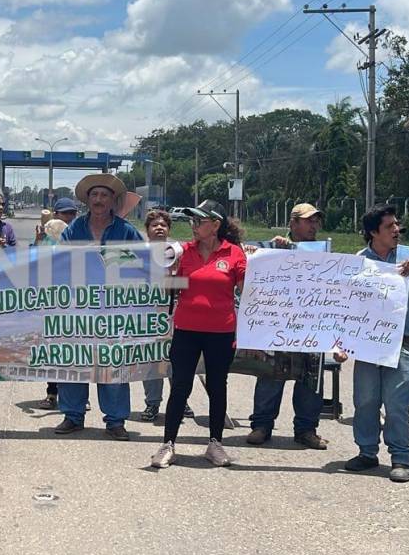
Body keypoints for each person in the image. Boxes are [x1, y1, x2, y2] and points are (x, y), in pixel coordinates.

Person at [343, 204, 409, 483]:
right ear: (374, 232)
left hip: (403, 343)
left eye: (397, 225)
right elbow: (348, 307)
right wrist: (342, 344)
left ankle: (401, 457)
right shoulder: (359, 262)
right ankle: (367, 452)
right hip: (368, 344)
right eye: (390, 226)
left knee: (397, 403)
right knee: (365, 400)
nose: (397, 230)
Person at [150, 200, 246, 468]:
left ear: (215, 225)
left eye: (199, 221)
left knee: (217, 387)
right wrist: (169, 272)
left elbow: (246, 289)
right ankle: (168, 444)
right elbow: (175, 288)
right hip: (187, 330)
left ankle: (215, 443)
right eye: (191, 221)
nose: (193, 226)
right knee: (180, 386)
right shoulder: (185, 252)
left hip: (221, 332)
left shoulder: (234, 253)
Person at [54, 173, 143, 440]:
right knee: (72, 362)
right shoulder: (73, 230)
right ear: (88, 200)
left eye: (104, 195)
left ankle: (115, 421)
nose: (99, 200)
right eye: (94, 195)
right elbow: (59, 263)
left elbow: (140, 266)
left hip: (113, 312)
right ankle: (72, 415)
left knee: (113, 365)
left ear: (112, 201)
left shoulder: (126, 231)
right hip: (77, 309)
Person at [246, 202, 330, 450]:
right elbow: (251, 262)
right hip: (278, 323)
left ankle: (306, 429)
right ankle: (261, 425)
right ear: (293, 223)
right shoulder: (274, 247)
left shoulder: (324, 252)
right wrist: (274, 249)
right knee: (271, 373)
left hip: (311, 324)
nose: (313, 225)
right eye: (308, 220)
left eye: (316, 221)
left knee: (310, 376)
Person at [140, 209, 193, 422]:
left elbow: (185, 283)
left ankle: (181, 401)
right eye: (155, 225)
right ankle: (152, 403)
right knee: (152, 361)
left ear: (169, 229)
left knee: (177, 361)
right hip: (147, 318)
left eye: (163, 225)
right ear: (147, 230)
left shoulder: (180, 252)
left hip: (174, 316)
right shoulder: (137, 253)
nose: (159, 228)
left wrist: (168, 282)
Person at [36, 196, 81, 409]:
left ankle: (78, 396)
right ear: (56, 214)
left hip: (77, 302)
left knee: (77, 350)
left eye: (72, 213)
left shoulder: (80, 235)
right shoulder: (44, 238)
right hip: (52, 302)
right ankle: (52, 393)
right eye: (65, 213)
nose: (70, 217)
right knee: (54, 349)